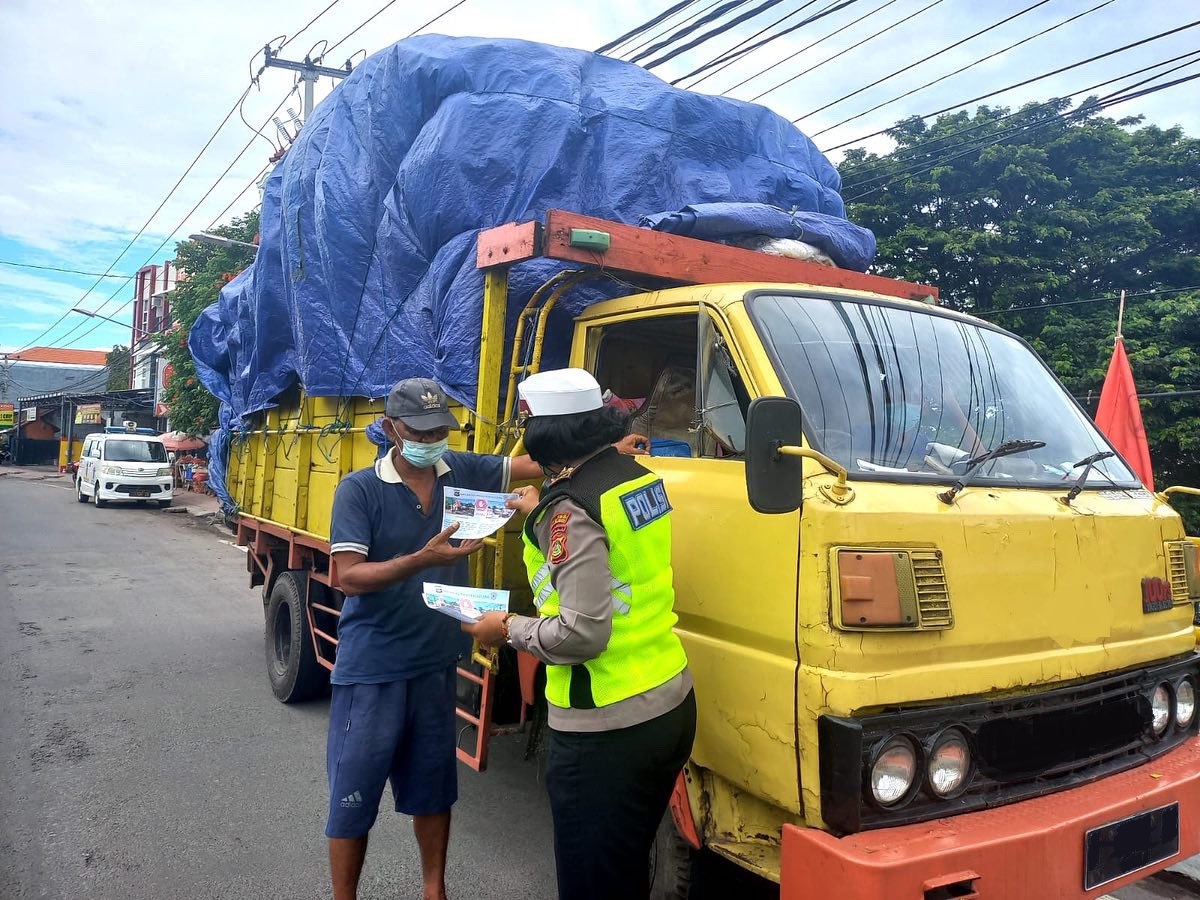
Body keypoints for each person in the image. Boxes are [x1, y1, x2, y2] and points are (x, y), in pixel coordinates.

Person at [326, 376, 646, 900]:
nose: (432, 439)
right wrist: (424, 560)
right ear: (390, 429)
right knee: (353, 795)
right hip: (374, 667)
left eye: (439, 430)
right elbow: (347, 577)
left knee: (433, 789)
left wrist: (605, 448)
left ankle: (435, 890)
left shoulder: (462, 470)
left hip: (434, 663)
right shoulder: (359, 490)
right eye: (419, 430)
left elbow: (538, 464)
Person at [464, 368, 695, 900]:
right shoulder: (635, 477)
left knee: (592, 881)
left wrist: (506, 628)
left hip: (607, 724)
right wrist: (540, 502)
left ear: (541, 436)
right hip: (667, 698)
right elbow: (617, 560)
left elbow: (581, 634)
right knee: (625, 863)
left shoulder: (568, 512)